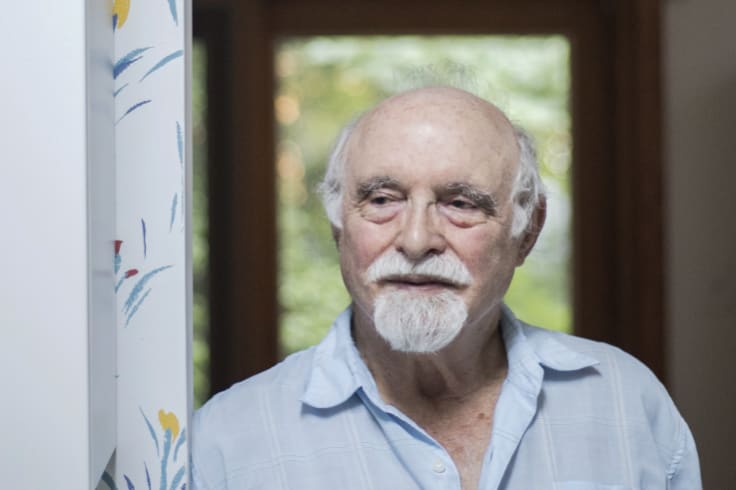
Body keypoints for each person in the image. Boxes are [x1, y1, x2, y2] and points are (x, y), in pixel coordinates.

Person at [192, 86, 701, 489]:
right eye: (383, 199)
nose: (416, 240)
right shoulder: (225, 442)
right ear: (337, 225)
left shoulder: (625, 400)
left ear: (527, 231)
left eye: (461, 203)